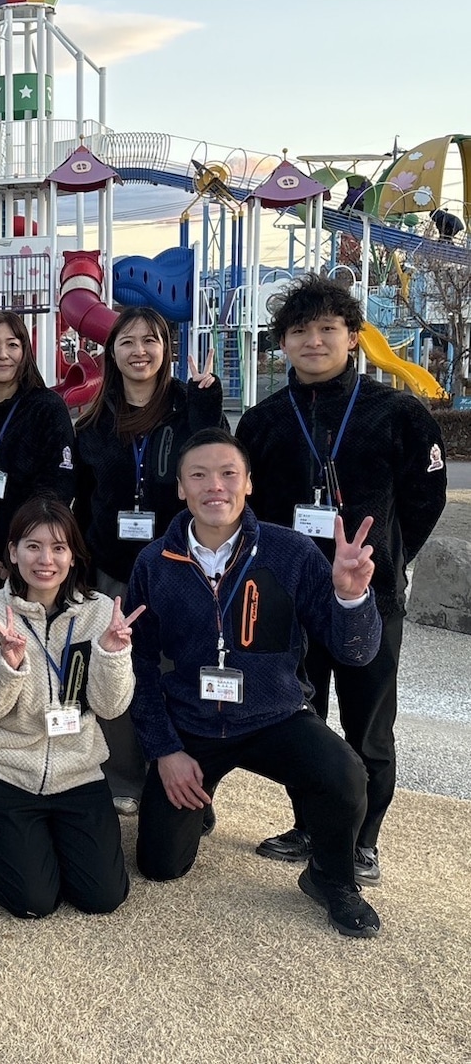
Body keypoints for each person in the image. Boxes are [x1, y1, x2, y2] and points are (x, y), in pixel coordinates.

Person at [127, 429, 384, 938]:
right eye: (198, 475)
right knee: (160, 865)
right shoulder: (155, 562)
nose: (213, 486)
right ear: (180, 488)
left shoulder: (290, 553)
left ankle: (332, 878)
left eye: (228, 474)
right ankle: (200, 801)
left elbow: (355, 651)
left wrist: (352, 598)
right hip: (194, 724)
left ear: (248, 484)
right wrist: (166, 751)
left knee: (345, 774)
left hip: (274, 715)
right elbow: (137, 665)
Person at [237, 274, 446, 884]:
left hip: (369, 599)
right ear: (283, 344)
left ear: (353, 337)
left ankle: (362, 839)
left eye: (328, 328)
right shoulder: (264, 421)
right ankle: (311, 823)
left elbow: (423, 500)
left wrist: (386, 558)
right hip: (293, 600)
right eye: (299, 331)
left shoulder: (399, 413)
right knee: (299, 719)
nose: (313, 341)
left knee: (369, 727)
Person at [73, 306, 222, 815]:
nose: (140, 351)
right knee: (116, 671)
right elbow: (81, 496)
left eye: (150, 340)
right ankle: (123, 776)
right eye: (128, 341)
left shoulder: (188, 409)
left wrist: (206, 409)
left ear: (166, 349)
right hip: (112, 567)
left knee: (178, 672)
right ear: (111, 352)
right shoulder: (93, 420)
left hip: (178, 568)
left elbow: (215, 470)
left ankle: (190, 781)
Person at [0, 498, 139, 919]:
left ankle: (45, 841)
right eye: (33, 546)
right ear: (12, 552)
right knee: (33, 902)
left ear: (74, 555)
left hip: (78, 773)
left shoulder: (98, 612)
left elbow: (111, 708)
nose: (46, 560)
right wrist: (9, 665)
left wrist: (114, 654)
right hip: (8, 774)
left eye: (59, 548)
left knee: (103, 898)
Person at [0, 311, 76, 598]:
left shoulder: (46, 407)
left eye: (12, 345)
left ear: (25, 352)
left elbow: (57, 486)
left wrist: (21, 549)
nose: (2, 355)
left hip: (33, 559)